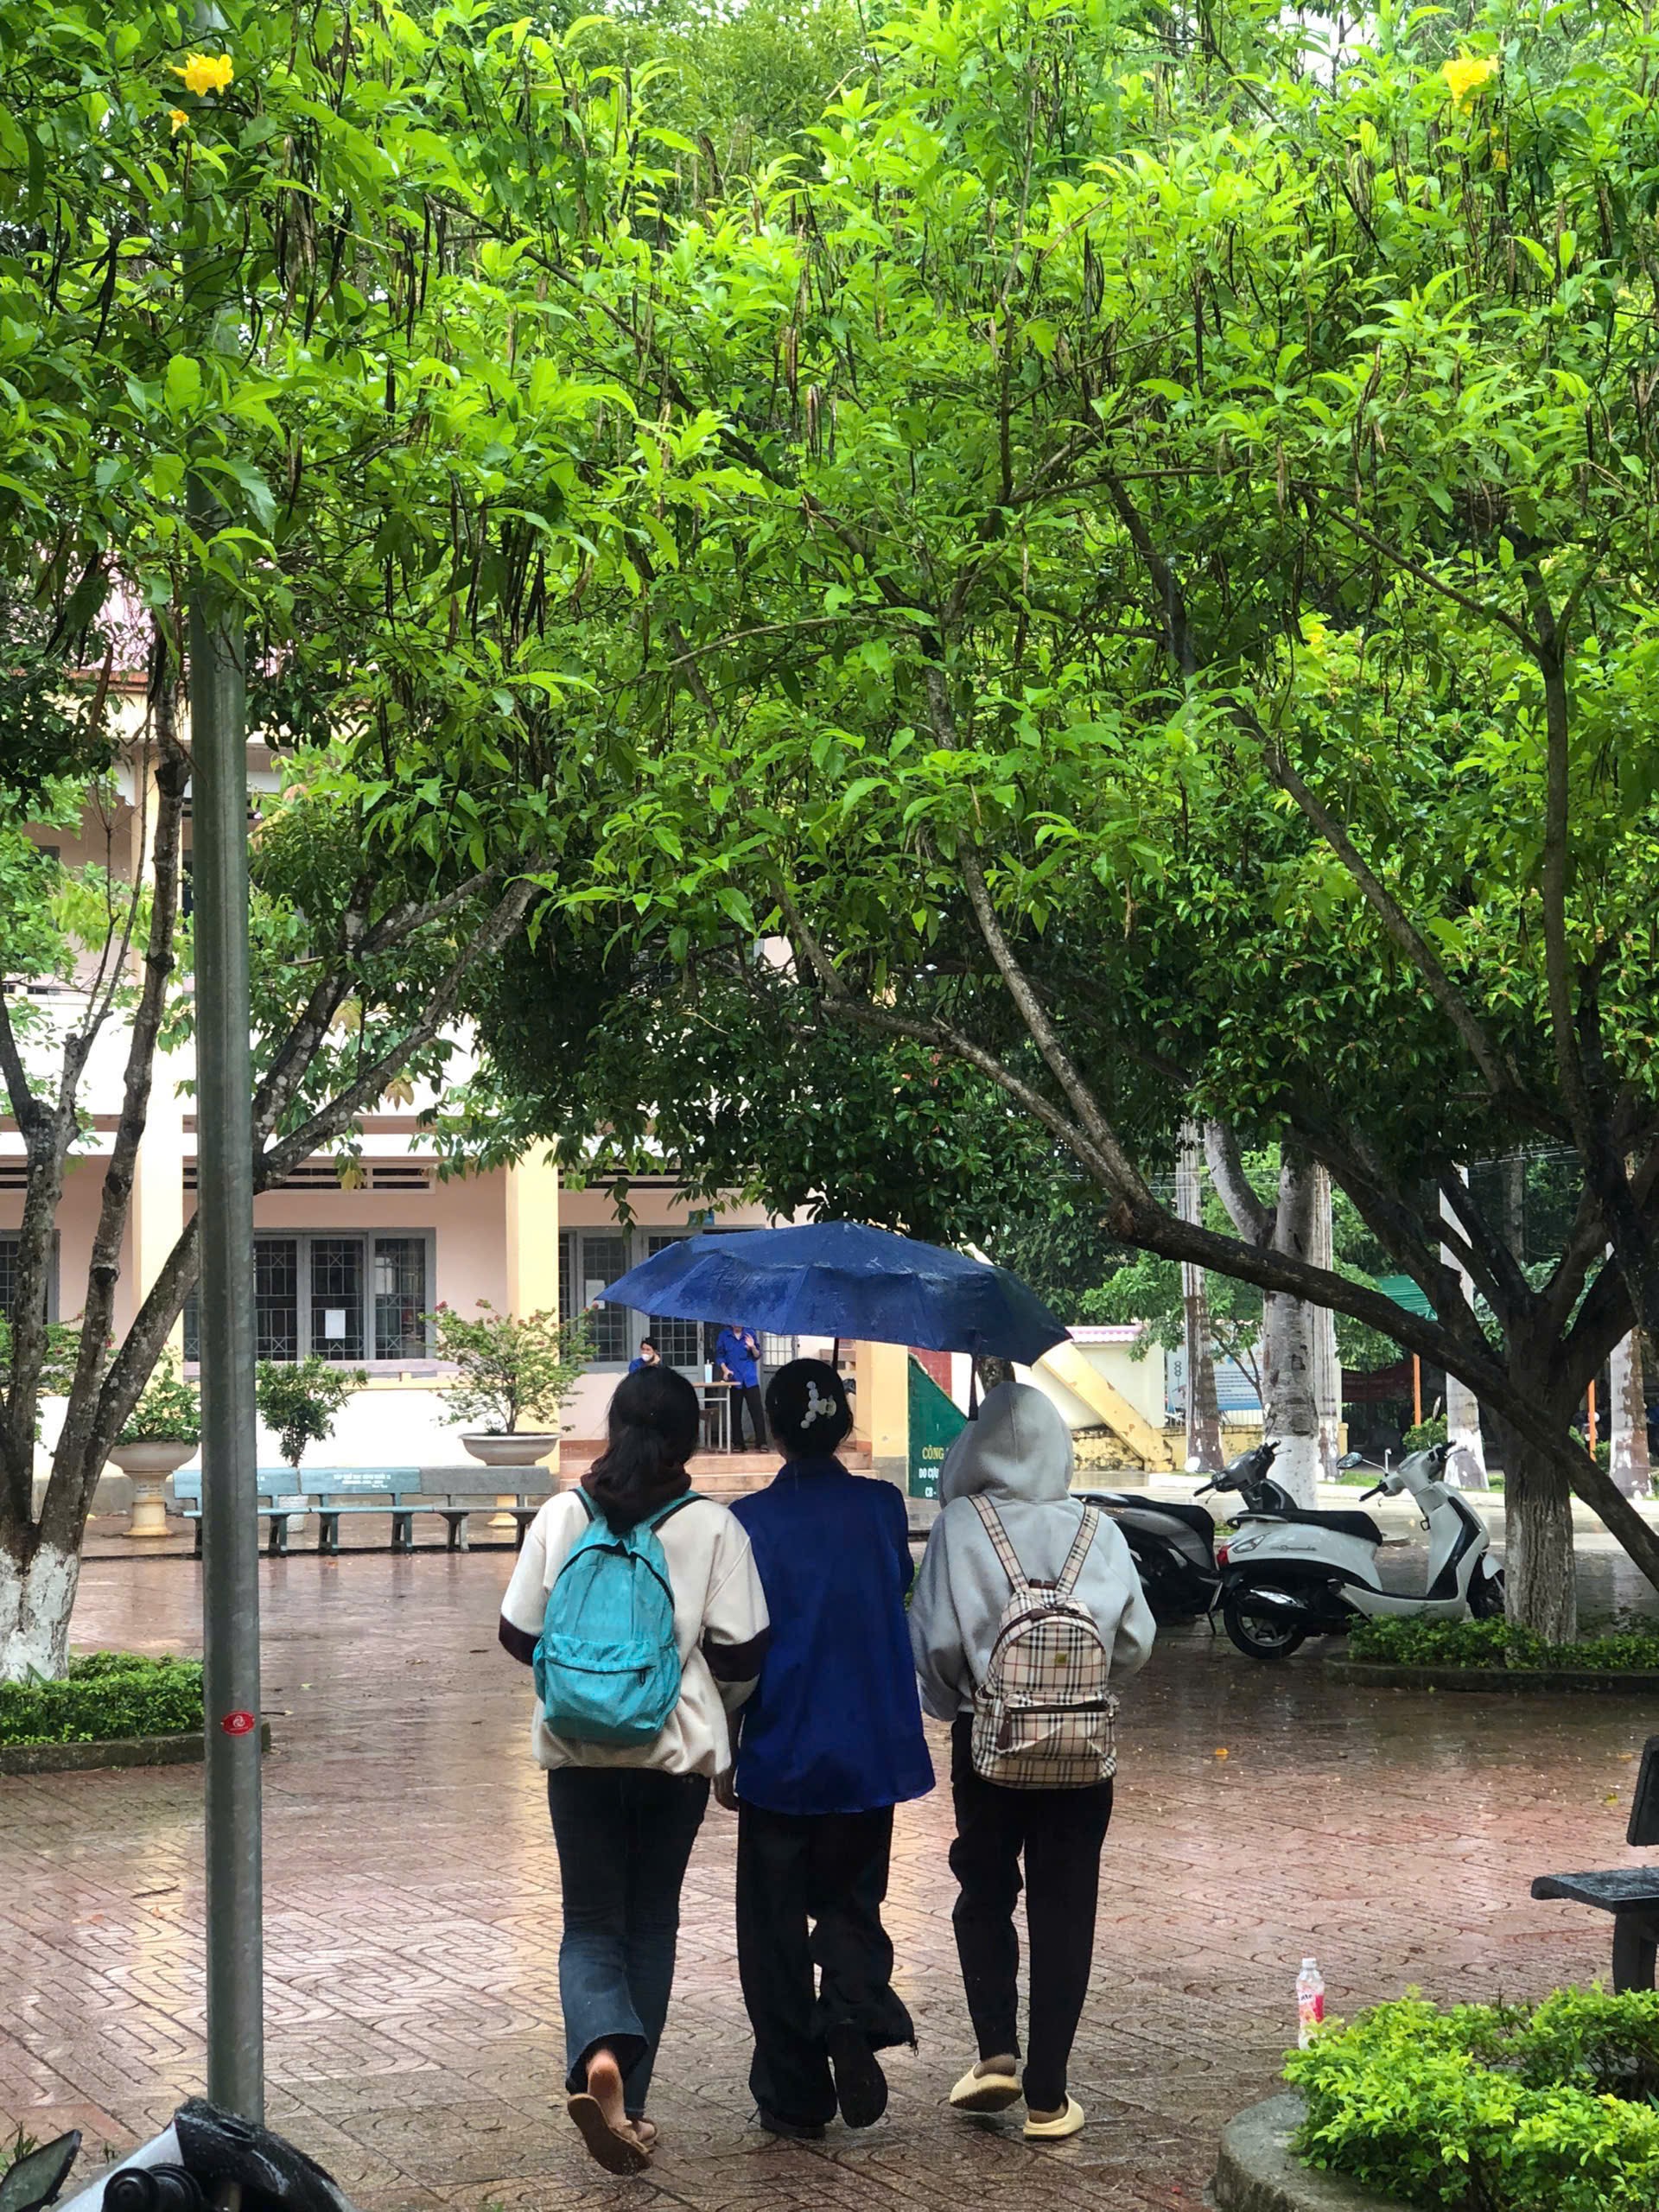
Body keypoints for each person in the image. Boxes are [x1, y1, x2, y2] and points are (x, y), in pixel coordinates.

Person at [499, 1364, 769, 2175]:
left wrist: (584, 1686)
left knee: (588, 1923)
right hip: (671, 1757)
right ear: (690, 1439)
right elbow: (743, 1653)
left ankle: (600, 2057)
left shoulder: (562, 1513)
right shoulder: (712, 1527)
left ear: (613, 1428)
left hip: (577, 1754)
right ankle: (633, 2102)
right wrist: (706, 1702)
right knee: (651, 1922)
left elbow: (517, 1634)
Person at [908, 1382, 1154, 2144]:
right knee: (1065, 1904)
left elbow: (934, 1642)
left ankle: (995, 2053)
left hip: (987, 1740)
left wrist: (954, 1703)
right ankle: (1049, 2095)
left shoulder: (959, 1526)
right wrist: (1081, 1685)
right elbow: (1137, 1642)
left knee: (984, 1887)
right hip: (1082, 1750)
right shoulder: (1098, 1529)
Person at [725, 1359, 932, 2139]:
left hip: (782, 1744)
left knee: (772, 1926)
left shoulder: (748, 1520)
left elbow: (738, 1643)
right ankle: (848, 2005)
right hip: (869, 1744)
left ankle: (794, 2093)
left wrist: (726, 1746)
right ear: (843, 1426)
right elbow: (894, 1583)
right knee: (853, 1898)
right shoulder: (881, 1507)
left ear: (773, 1432)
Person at [715, 1321, 765, 1452]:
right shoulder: (724, 1335)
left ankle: (762, 1442)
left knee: (757, 1411)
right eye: (734, 1322)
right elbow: (720, 1357)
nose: (737, 1325)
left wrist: (752, 1347)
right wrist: (725, 1370)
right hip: (734, 1378)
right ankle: (738, 1443)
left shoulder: (750, 1333)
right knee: (735, 1412)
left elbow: (757, 1356)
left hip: (750, 1378)